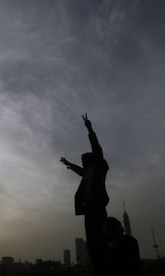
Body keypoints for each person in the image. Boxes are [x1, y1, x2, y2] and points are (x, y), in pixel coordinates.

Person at [60, 114, 109, 275]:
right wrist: (68, 164)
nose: (82, 164)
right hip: (88, 209)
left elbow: (97, 148)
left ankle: (104, 266)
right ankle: (98, 267)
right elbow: (80, 171)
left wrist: (89, 129)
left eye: (84, 161)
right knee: (92, 244)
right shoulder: (88, 172)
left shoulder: (98, 167)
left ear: (91, 160)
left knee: (100, 241)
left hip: (97, 207)